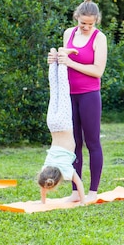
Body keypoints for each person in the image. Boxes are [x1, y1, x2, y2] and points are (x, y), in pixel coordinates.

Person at [50, 0, 107, 203]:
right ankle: (76, 190)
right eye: (83, 23)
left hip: (89, 95)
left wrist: (69, 62)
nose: (86, 27)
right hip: (69, 95)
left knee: (92, 142)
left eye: (90, 24)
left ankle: (93, 191)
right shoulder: (68, 33)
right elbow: (62, 61)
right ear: (77, 18)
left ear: (96, 21)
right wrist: (56, 59)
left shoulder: (99, 38)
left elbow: (97, 71)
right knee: (74, 143)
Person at [39, 48, 86, 204]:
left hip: (65, 124)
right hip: (52, 124)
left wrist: (83, 201)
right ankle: (53, 57)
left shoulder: (66, 170)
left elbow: (78, 183)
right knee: (55, 91)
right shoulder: (46, 166)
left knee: (63, 89)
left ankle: (62, 56)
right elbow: (42, 184)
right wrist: (43, 200)